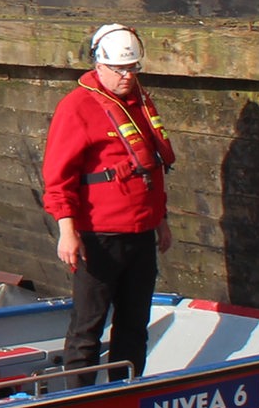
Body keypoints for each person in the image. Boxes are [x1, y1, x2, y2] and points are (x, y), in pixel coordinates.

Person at [41, 23, 178, 384]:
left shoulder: (140, 103)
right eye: (119, 69)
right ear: (98, 65)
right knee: (88, 325)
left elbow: (152, 167)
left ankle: (124, 388)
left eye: (132, 68)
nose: (126, 77)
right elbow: (58, 177)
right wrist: (67, 232)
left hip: (140, 234)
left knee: (134, 323)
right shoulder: (77, 107)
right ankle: (78, 398)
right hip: (98, 237)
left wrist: (160, 220)